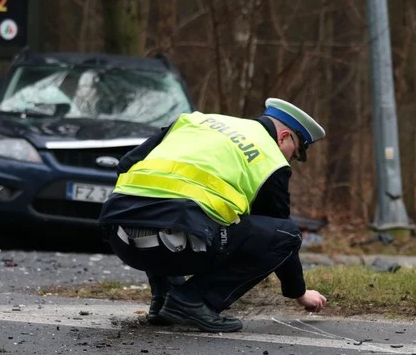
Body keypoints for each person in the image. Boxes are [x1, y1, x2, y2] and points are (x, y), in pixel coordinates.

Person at [98, 98, 328, 332]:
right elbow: (279, 233)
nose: (291, 159)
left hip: (121, 236)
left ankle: (164, 298)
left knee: (166, 212)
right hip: (174, 242)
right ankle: (193, 301)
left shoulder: (194, 121)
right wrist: (298, 292)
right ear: (284, 137)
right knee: (286, 234)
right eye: (296, 152)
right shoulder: (270, 159)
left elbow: (127, 163)